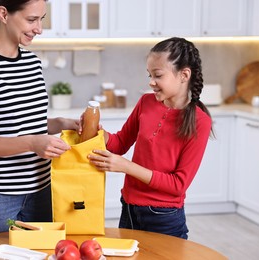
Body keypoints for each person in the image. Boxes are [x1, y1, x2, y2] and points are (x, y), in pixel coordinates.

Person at [0, 0, 79, 240]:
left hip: (42, 191)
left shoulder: (32, 63)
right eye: (32, 20)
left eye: (42, 19)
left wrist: (62, 123)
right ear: (3, 14)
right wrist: (32, 143)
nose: (39, 29)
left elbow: (27, 123)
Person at [87, 37, 213, 239]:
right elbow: (119, 143)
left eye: (158, 75)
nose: (151, 82)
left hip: (164, 217)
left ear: (184, 75)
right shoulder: (146, 102)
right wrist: (96, 133)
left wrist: (126, 166)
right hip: (129, 207)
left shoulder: (200, 121)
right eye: (150, 75)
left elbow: (177, 185)